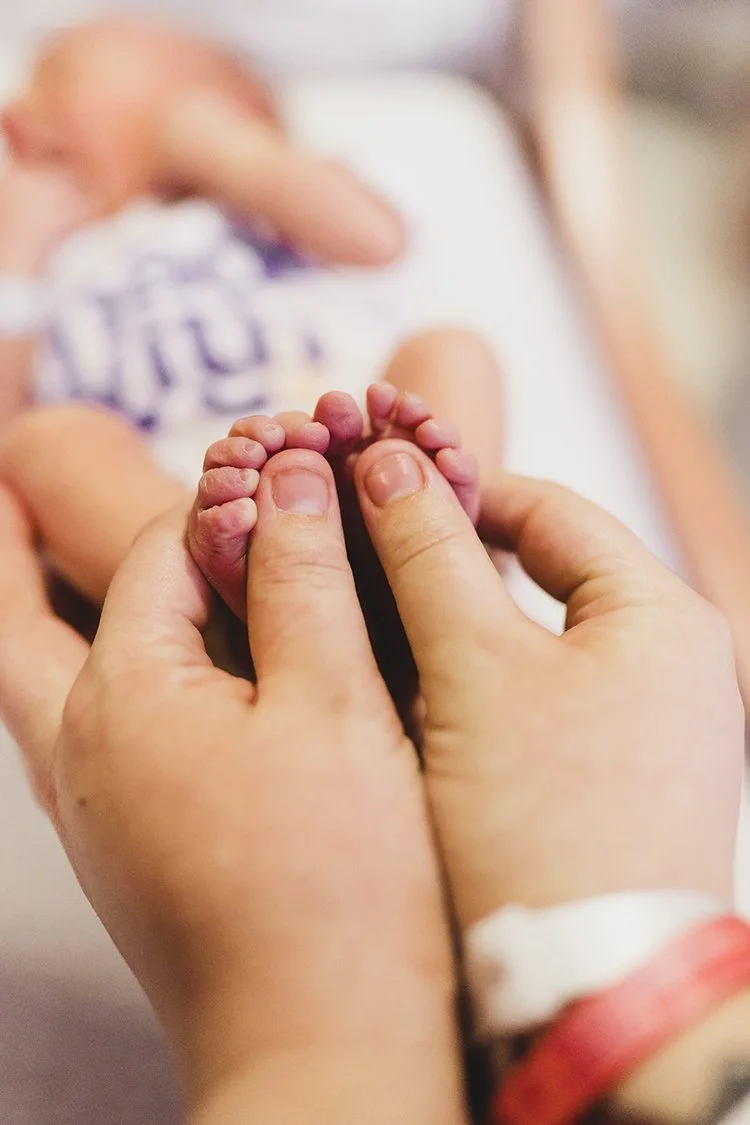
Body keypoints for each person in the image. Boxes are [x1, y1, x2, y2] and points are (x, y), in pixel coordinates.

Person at [0, 407, 747, 1124]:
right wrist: (621, 918)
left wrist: (316, 1038)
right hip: (322, 489)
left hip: (213, 491)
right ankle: (405, 595)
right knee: (446, 352)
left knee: (62, 445)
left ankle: (288, 603)